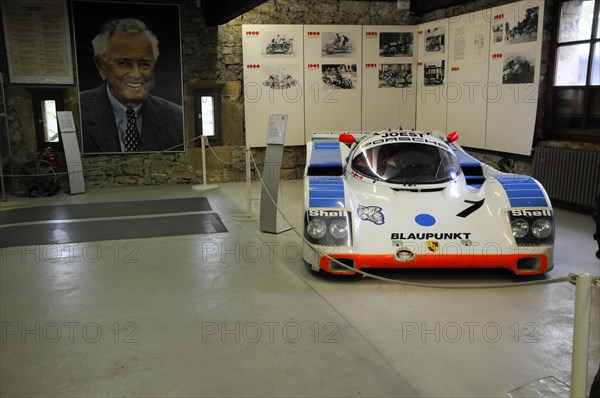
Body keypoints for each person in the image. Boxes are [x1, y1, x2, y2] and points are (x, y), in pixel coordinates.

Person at [80, 18, 183, 153]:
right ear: (102, 67)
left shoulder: (176, 117)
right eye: (124, 63)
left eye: (144, 64)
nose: (136, 74)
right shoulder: (78, 111)